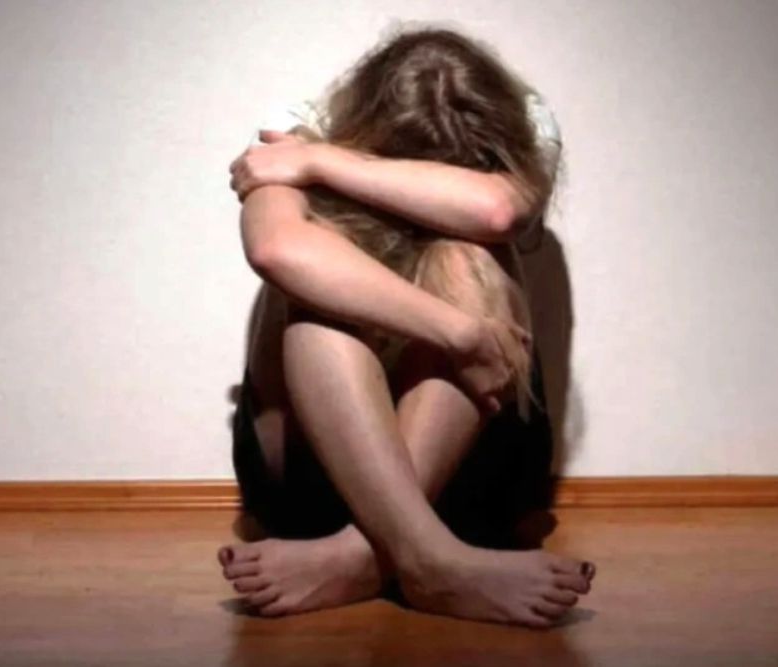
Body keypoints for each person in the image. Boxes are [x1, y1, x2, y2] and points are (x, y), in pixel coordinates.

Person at [218, 26, 595, 628]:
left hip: (471, 473)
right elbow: (276, 249)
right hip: (312, 476)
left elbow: (497, 210)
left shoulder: (527, 121)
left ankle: (366, 555)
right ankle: (430, 560)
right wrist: (458, 333)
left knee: (468, 259)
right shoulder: (296, 125)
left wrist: (320, 162)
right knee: (319, 298)